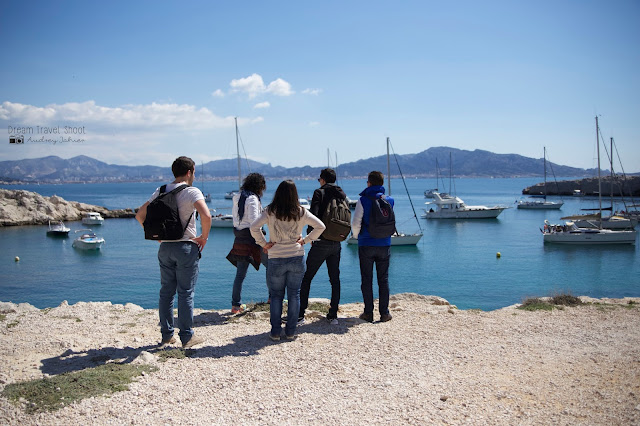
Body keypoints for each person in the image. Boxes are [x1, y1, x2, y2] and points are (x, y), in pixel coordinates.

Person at [135, 156, 211, 348]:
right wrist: (204, 237)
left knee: (166, 293)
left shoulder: (160, 190)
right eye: (194, 172)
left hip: (165, 248)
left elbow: (139, 215)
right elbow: (206, 215)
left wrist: (156, 236)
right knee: (185, 293)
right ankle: (187, 337)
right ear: (190, 171)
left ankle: (167, 335)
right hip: (185, 247)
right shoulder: (192, 191)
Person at [250, 180, 326, 341]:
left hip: (276, 257)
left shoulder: (270, 211)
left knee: (276, 296)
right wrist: (306, 240)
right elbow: (321, 226)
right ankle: (291, 331)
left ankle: (275, 332)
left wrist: (264, 243)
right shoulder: (301, 211)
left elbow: (253, 227)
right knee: (294, 295)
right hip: (296, 257)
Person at [298, 168, 347, 325]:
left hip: (321, 242)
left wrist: (311, 236)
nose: (319, 182)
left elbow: (314, 215)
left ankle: (300, 315)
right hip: (337, 242)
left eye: (319, 179)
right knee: (335, 279)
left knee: (306, 278)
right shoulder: (342, 194)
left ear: (323, 180)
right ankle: (333, 316)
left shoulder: (319, 193)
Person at [351, 170, 394, 323]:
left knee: (366, 279)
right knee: (384, 279)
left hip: (366, 244)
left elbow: (356, 223)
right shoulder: (390, 200)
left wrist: (356, 237)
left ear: (368, 183)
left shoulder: (363, 200)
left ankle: (368, 313)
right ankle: (384, 313)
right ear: (382, 183)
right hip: (384, 244)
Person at [226, 173, 268, 313]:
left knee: (240, 274)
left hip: (239, 238)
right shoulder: (253, 199)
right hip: (252, 239)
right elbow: (254, 223)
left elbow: (236, 219)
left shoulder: (237, 196)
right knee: (272, 265)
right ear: (259, 186)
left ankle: (235, 305)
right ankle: (273, 298)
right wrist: (263, 242)